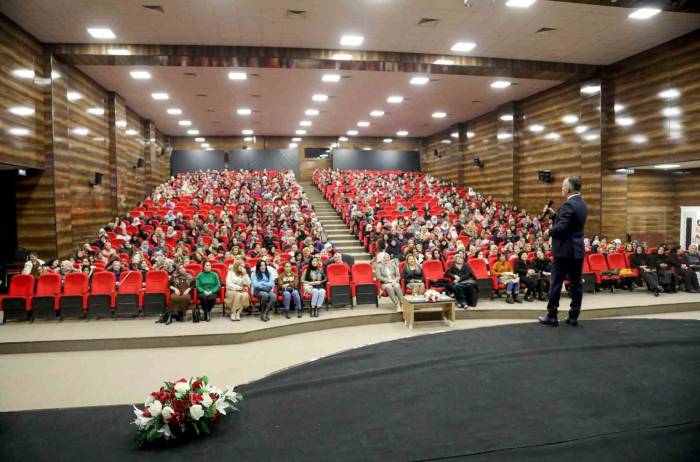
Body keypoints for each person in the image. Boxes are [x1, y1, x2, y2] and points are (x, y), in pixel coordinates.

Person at [539, 176, 588, 327]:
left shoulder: (568, 205)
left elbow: (562, 227)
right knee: (576, 283)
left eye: (562, 186)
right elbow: (569, 223)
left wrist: (549, 232)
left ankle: (552, 315)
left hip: (563, 251)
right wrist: (554, 215)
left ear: (568, 189)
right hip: (577, 249)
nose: (561, 188)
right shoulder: (582, 204)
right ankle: (573, 316)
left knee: (556, 282)